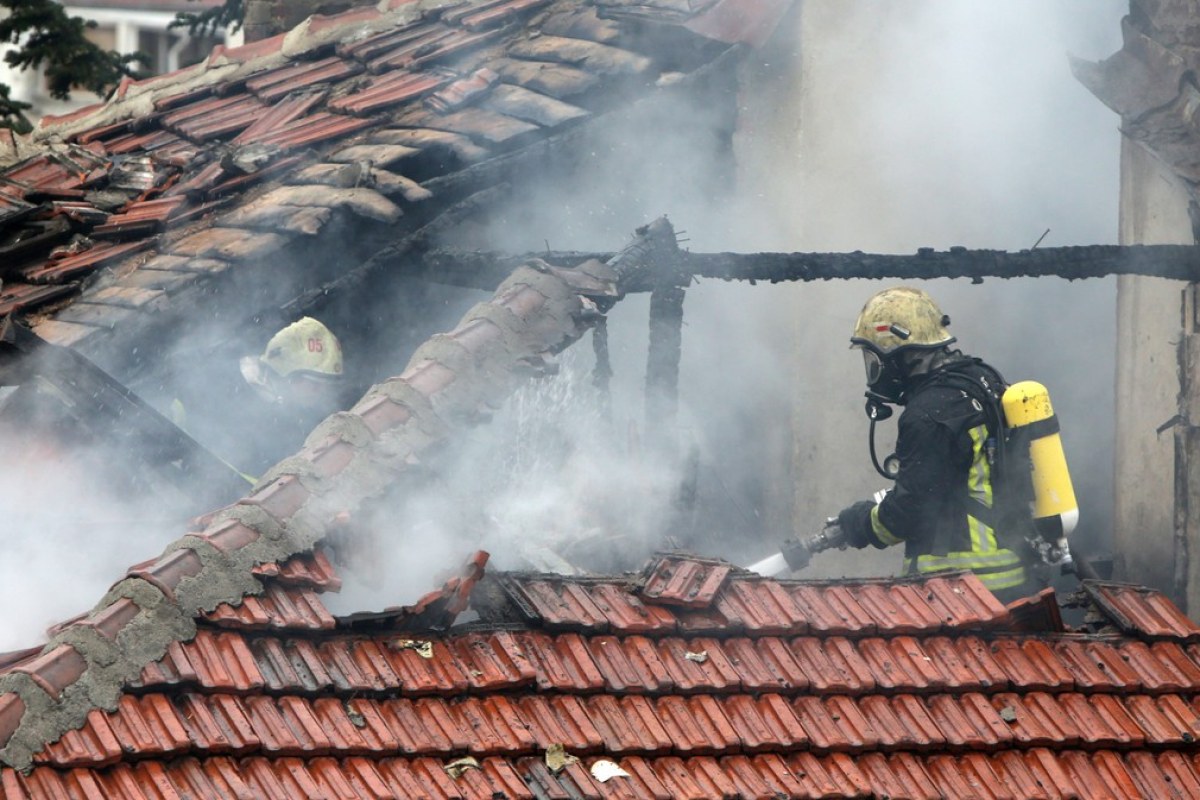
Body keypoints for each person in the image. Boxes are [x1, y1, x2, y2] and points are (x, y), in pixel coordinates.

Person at [833, 286, 1041, 603]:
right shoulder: (983, 381)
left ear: (901, 356)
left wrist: (860, 523)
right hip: (1015, 578)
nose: (873, 373)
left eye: (874, 360)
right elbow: (953, 482)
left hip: (958, 592)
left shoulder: (926, 416)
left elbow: (908, 512)